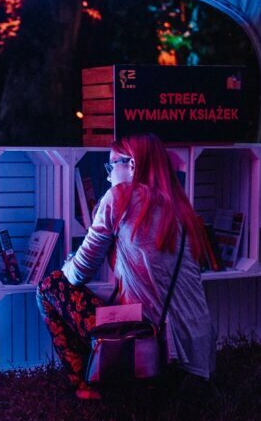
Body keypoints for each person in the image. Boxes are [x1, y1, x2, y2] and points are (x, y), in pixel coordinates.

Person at [36, 133, 215, 399]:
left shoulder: (121, 196)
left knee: (50, 286)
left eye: (111, 166)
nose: (108, 175)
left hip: (151, 347)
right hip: (199, 362)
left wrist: (69, 262)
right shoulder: (180, 207)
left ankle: (89, 388)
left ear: (131, 165)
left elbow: (77, 274)